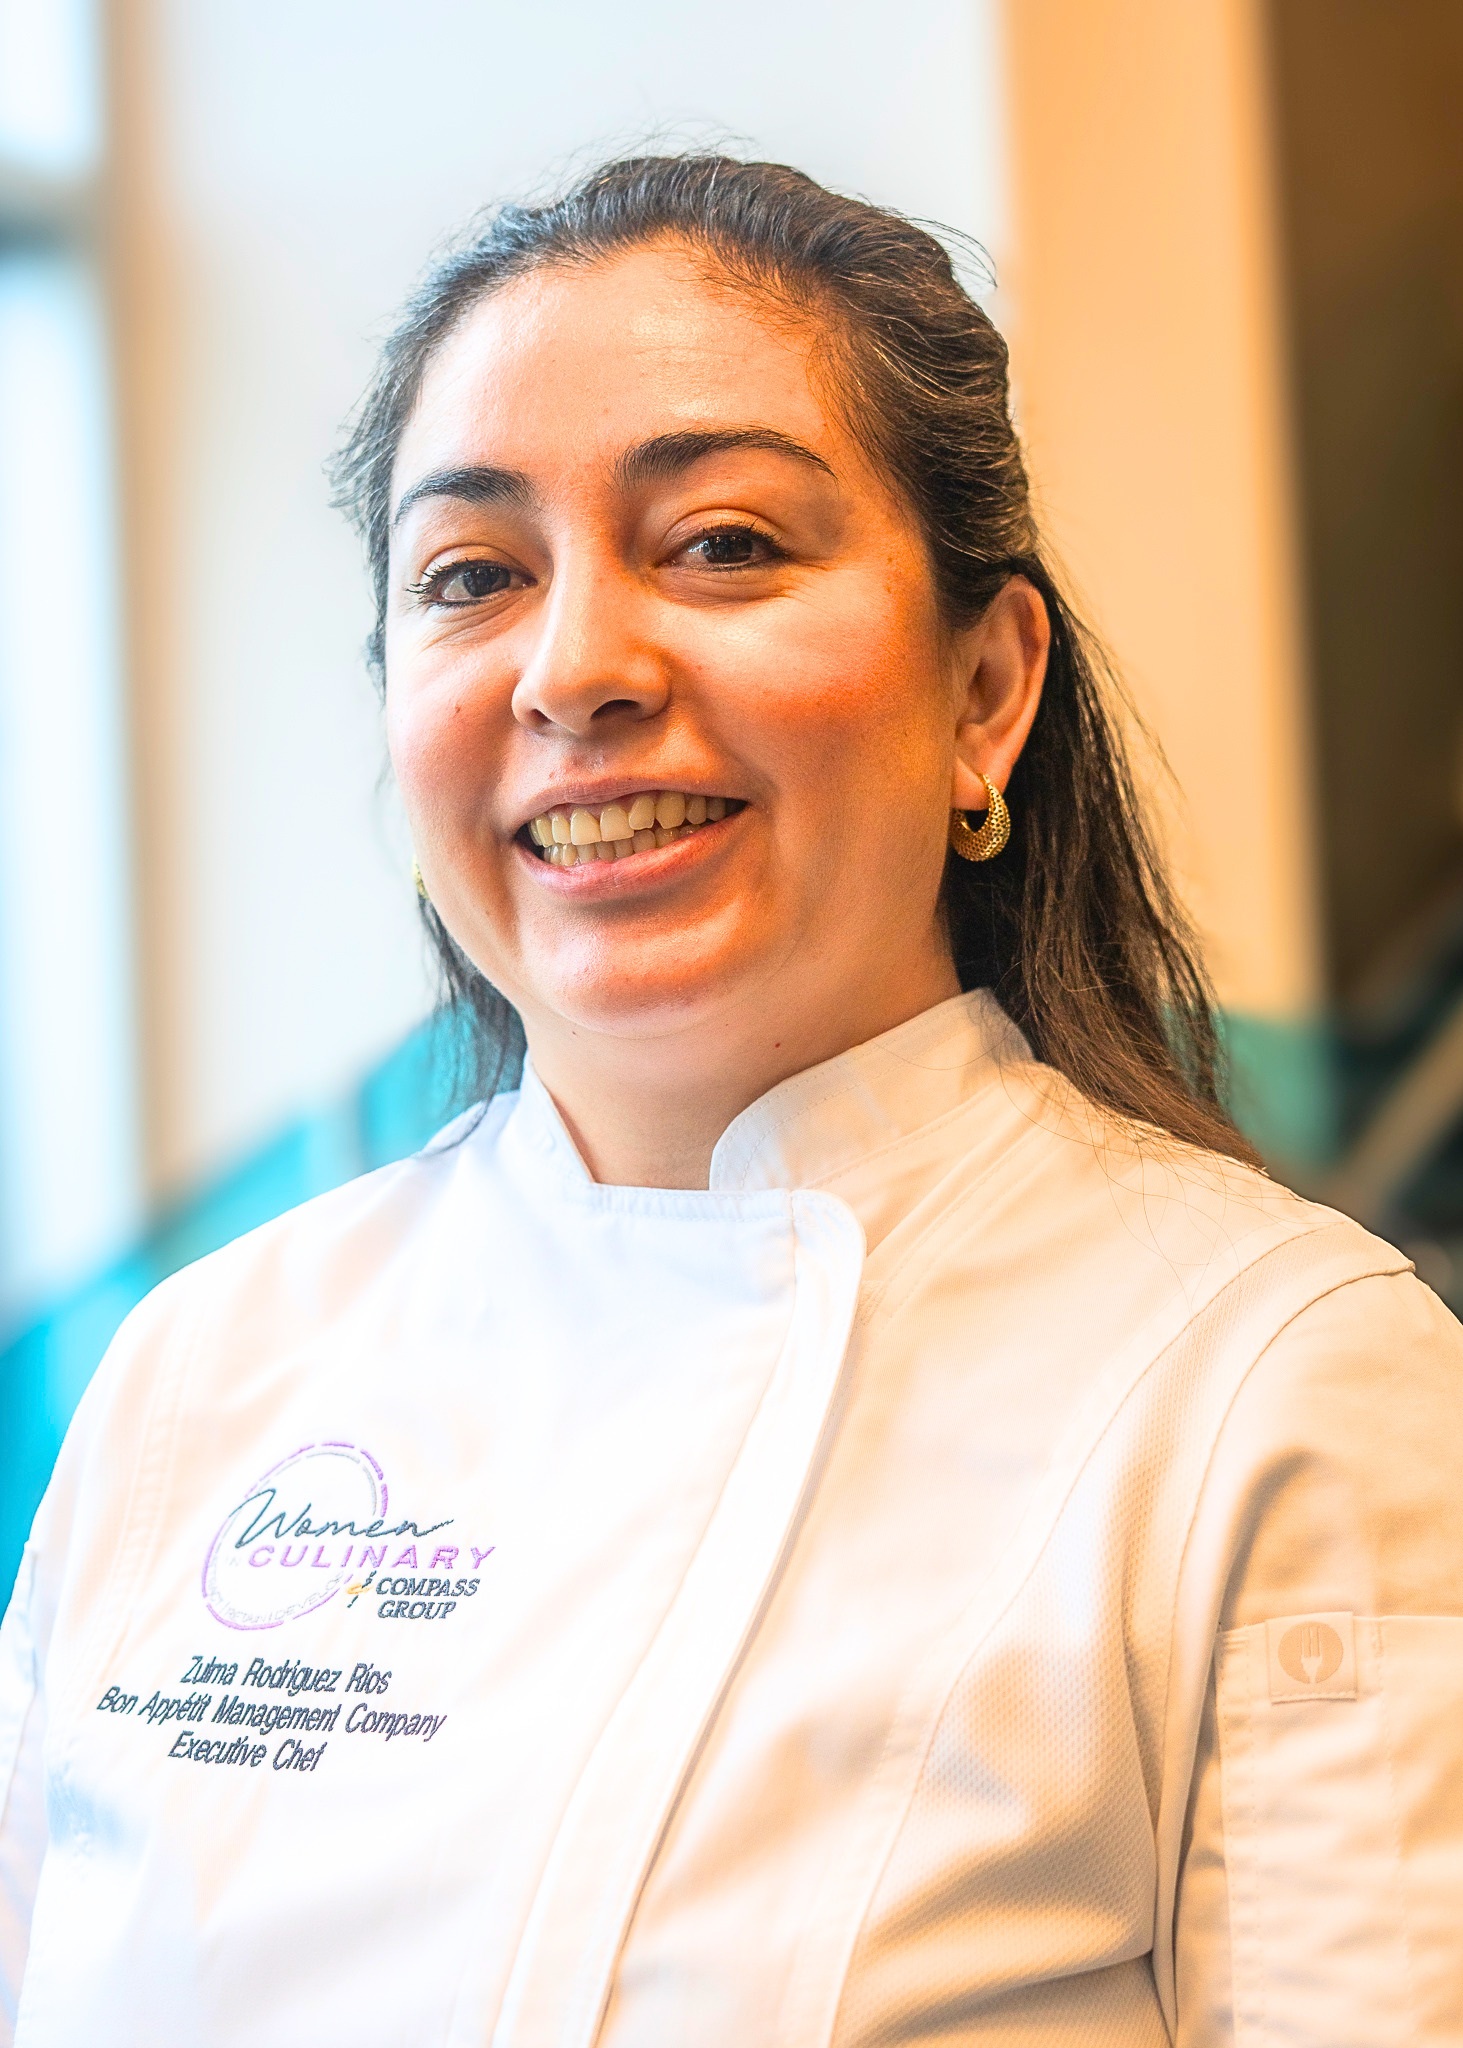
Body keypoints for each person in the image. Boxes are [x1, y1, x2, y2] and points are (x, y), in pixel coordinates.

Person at [1, 154, 1459, 2048]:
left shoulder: (1275, 1391)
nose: (577, 668)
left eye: (725, 546)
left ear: (987, 689)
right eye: (472, 577)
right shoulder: (203, 1375)